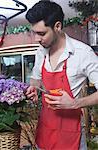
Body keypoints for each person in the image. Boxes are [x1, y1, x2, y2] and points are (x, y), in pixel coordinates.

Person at [25, 1, 98, 150]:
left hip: (70, 134)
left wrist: (74, 103)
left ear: (57, 26)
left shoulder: (83, 53)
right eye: (34, 33)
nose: (36, 39)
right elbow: (36, 80)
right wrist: (33, 88)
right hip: (44, 130)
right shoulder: (41, 52)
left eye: (41, 33)